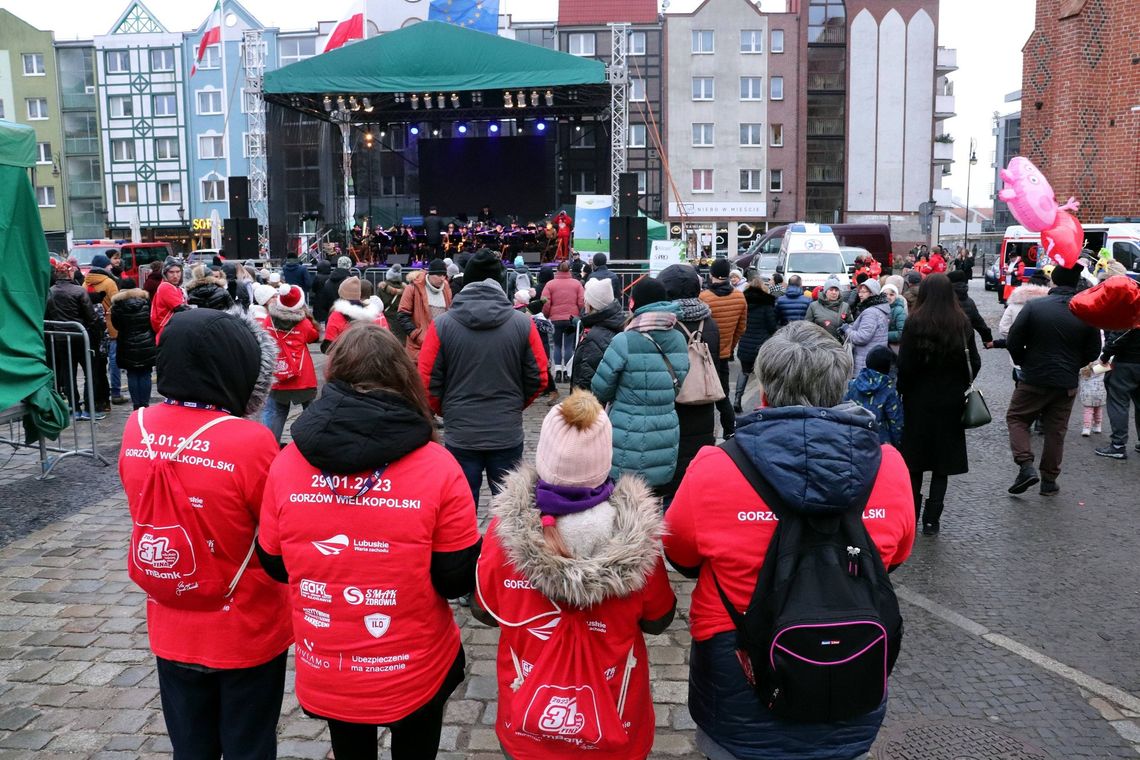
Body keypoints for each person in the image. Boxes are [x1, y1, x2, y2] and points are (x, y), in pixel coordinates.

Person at [664, 320, 915, 760]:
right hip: (851, 670)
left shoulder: (714, 467)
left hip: (738, 669)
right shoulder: (890, 467)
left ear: (764, 391)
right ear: (841, 389)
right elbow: (893, 557)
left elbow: (679, 552)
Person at [256, 323, 480, 760]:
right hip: (412, 664)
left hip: (329, 663)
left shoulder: (287, 464)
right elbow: (455, 580)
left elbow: (275, 563)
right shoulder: (438, 465)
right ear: (403, 375)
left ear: (332, 375)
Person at [118, 308, 290, 760]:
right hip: (244, 623)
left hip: (171, 614)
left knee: (190, 746)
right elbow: (274, 531)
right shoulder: (250, 441)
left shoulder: (136, 426)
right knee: (248, 744)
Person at [472, 389, 676, 760]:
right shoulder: (638, 538)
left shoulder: (503, 534)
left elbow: (483, 610)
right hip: (615, 722)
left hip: (527, 724)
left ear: (543, 454)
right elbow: (659, 619)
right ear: (606, 459)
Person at [419, 250, 548, 506]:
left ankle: (467, 547)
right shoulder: (522, 323)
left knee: (461, 509)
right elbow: (539, 377)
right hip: (506, 430)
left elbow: (426, 380)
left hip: (461, 433)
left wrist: (447, 410)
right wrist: (513, 404)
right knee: (511, 510)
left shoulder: (442, 325)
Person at [1005, 264, 1101, 494]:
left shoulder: (1035, 306)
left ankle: (1026, 465)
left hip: (1033, 377)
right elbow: (1093, 351)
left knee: (1017, 417)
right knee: (1055, 431)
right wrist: (1072, 365)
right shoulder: (1086, 312)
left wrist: (1023, 361)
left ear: (1053, 282)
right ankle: (1049, 480)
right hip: (1065, 382)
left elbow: (1014, 339)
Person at [897, 273, 980, 533]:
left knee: (915, 461)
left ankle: (911, 515)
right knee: (942, 464)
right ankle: (932, 519)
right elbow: (974, 362)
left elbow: (905, 365)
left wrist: (904, 390)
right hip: (951, 401)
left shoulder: (915, 322)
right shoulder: (961, 323)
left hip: (918, 400)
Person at [592, 277, 689, 494]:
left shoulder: (624, 340)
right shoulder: (679, 339)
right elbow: (678, 380)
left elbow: (600, 388)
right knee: (655, 503)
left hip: (626, 431)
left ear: (635, 303)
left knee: (623, 502)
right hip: (665, 429)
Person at [658, 263, 721, 505]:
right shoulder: (710, 324)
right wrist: (726, 414)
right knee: (693, 482)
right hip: (704, 409)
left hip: (670, 412)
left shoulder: (665, 327)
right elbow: (719, 369)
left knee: (669, 485)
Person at [260, 285, 320, 445]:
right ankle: (312, 444)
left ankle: (271, 447)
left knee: (277, 412)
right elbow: (313, 336)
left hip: (278, 375)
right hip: (302, 376)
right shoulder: (304, 323)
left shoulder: (268, 320)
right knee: (311, 412)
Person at [700, 259, 747, 437]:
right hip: (724, 355)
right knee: (723, 395)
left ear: (711, 275)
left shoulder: (704, 297)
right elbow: (741, 328)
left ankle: (706, 434)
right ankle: (729, 431)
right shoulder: (739, 297)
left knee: (702, 396)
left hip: (704, 354)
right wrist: (730, 346)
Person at [46, 259, 99, 419]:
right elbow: (91, 316)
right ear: (70, 273)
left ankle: (74, 408)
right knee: (90, 372)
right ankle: (89, 408)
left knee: (68, 373)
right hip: (80, 336)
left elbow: (48, 315)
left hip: (60, 338)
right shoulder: (78, 291)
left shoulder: (50, 291)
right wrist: (98, 333)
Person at [569, 278, 625, 391]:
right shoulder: (619, 325)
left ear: (591, 305)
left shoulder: (593, 336)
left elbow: (586, 380)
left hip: (590, 405)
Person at [734, 275, 779, 413]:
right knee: (762, 375)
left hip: (745, 344)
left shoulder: (743, 303)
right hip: (762, 346)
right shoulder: (767, 305)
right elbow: (772, 327)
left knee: (744, 372)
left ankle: (737, 399)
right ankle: (763, 404)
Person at [84, 253, 124, 405]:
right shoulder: (109, 282)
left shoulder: (85, 283)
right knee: (114, 360)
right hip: (111, 326)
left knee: (98, 363)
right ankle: (115, 392)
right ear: (104, 266)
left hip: (94, 327)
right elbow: (117, 303)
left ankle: (101, 396)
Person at [396, 259, 452, 363]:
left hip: (442, 347)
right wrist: (417, 335)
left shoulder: (446, 288)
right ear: (430, 274)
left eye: (444, 275)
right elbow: (402, 315)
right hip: (419, 348)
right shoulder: (412, 288)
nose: (442, 278)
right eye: (439, 275)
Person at [1096, 328, 1140, 459]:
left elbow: (1119, 336)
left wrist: (1105, 355)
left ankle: (1118, 445)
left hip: (1126, 363)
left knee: (1118, 403)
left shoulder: (1132, 311)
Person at [109, 287, 156, 409]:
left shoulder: (117, 306)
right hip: (146, 342)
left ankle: (136, 405)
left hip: (126, 342)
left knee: (132, 374)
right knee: (146, 373)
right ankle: (145, 404)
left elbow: (116, 325)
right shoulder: (146, 302)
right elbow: (152, 320)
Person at [847, 345, 903, 447]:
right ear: (888, 367)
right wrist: (897, 444)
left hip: (853, 436)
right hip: (879, 441)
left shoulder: (852, 384)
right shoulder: (889, 390)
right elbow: (895, 421)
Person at [542, 260, 585, 383]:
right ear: (569, 270)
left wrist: (547, 315)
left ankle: (558, 372)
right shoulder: (576, 284)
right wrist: (579, 315)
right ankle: (567, 372)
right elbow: (581, 302)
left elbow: (545, 302)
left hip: (555, 319)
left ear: (557, 270)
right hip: (571, 319)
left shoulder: (550, 284)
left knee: (556, 345)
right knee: (568, 346)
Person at [841, 278, 891, 376]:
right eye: (860, 291)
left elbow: (861, 337)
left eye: (864, 292)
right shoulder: (879, 309)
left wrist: (847, 329)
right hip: (873, 359)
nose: (860, 294)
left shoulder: (871, 312)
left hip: (864, 361)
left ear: (872, 293)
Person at [323, 276, 387, 352]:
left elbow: (328, 346)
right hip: (368, 358)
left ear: (342, 294)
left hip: (344, 358)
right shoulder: (375, 313)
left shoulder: (336, 315)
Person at [947, 269, 994, 347]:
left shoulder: (943, 299)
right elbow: (979, 323)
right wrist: (987, 339)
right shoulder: (969, 301)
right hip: (965, 343)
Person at [804, 276, 850, 341]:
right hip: (820, 344)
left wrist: (845, 330)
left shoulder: (845, 306)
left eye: (836, 290)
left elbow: (851, 324)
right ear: (825, 291)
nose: (834, 292)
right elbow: (807, 326)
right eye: (831, 290)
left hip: (840, 345)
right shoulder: (814, 306)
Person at [316, 256, 353, 322]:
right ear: (349, 267)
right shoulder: (351, 282)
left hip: (331, 318)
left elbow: (323, 303)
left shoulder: (328, 282)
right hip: (347, 320)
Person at [376, 264, 407, 343]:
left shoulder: (381, 288)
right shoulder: (406, 290)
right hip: (401, 320)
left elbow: (378, 305)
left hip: (387, 319)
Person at [150, 280, 187, 344]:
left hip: (167, 327)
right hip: (169, 328)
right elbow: (179, 307)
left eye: (178, 272)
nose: (175, 276)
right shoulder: (166, 287)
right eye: (171, 272)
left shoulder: (174, 287)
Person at [1077, 362, 1107, 438]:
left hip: (1087, 393)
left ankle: (1086, 428)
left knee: (1088, 410)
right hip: (1100, 392)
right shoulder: (1103, 367)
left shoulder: (1083, 369)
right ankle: (1097, 426)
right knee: (1098, 409)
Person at [882, 283, 907, 352]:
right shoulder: (879, 308)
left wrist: (882, 335)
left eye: (891, 294)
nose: (888, 297)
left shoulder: (899, 310)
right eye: (885, 294)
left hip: (891, 347)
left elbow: (901, 333)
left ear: (896, 296)